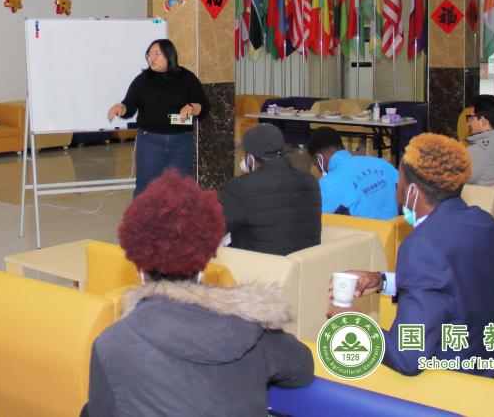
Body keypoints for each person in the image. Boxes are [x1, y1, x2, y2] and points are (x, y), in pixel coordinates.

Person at [84, 170, 313, 417]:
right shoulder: (255, 332)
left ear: (140, 272)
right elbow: (302, 370)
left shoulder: (111, 344)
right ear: (202, 271)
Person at [338, 133, 494, 377]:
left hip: (452, 381)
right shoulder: (485, 222)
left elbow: (406, 357)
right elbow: (455, 287)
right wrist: (382, 281)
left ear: (412, 191)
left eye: (399, 180)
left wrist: (354, 324)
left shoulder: (421, 244)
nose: (397, 188)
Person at [107, 39, 209, 196]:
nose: (151, 58)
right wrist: (121, 108)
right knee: (146, 187)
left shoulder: (187, 78)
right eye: (149, 54)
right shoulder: (142, 80)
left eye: (156, 54)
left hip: (181, 142)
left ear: (169, 55)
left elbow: (204, 106)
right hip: (150, 142)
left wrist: (192, 107)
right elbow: (129, 105)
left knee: (178, 188)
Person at [218, 124, 321, 256]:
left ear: (250, 158)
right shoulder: (311, 181)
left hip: (258, 266)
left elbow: (212, 228)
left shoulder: (241, 187)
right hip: (303, 265)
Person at [305, 126, 398, 219]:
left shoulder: (327, 184)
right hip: (398, 226)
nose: (315, 165)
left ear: (319, 158)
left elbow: (323, 221)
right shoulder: (381, 163)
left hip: (362, 228)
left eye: (315, 161)